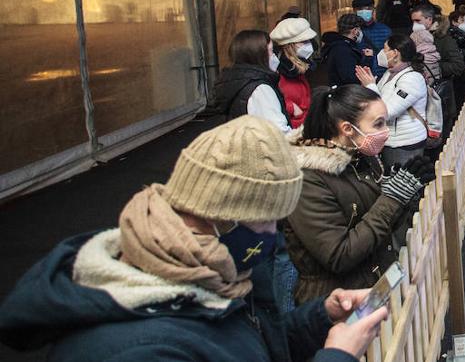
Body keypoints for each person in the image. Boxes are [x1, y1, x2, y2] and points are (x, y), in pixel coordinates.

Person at [0, 116, 388, 360]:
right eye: (268, 222)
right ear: (224, 217)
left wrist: (320, 318)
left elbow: (245, 345)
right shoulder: (138, 349)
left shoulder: (213, 272)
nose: (276, 236)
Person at [285, 85, 423, 303]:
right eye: (378, 123)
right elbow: (340, 255)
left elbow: (379, 228)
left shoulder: (359, 158)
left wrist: (407, 198)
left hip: (373, 285)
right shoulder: (307, 180)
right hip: (340, 304)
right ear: (347, 129)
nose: (385, 130)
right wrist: (393, 198)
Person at [355, 34, 428, 169]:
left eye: (385, 49)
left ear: (395, 53)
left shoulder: (412, 78)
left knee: (402, 186)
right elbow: (380, 97)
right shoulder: (390, 73)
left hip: (404, 143)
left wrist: (371, 85)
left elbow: (387, 112)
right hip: (390, 140)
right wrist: (368, 86)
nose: (381, 53)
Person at [209, 29, 290, 133]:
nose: (274, 56)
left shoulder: (233, 80)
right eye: (270, 51)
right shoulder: (260, 89)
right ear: (259, 55)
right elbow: (279, 132)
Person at [411, 3, 465, 127]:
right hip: (419, 97)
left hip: (440, 95)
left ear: (430, 20)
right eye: (413, 21)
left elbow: (458, 66)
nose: (415, 25)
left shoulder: (445, 40)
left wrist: (435, 67)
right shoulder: (413, 39)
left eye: (418, 21)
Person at [271, 17, 319, 130]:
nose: (309, 45)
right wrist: (291, 107)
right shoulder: (277, 70)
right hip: (292, 130)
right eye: (304, 41)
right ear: (290, 45)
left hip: (303, 126)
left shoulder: (297, 68)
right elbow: (272, 99)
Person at [320, 13, 369, 87]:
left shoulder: (341, 45)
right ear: (355, 31)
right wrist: (367, 59)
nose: (362, 33)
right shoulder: (343, 50)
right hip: (346, 94)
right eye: (360, 29)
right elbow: (351, 78)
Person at [352, 0, 390, 76]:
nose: (364, 11)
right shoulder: (351, 31)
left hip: (381, 74)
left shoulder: (385, 30)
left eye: (368, 9)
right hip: (359, 75)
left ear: (373, 10)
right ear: (354, 11)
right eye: (360, 9)